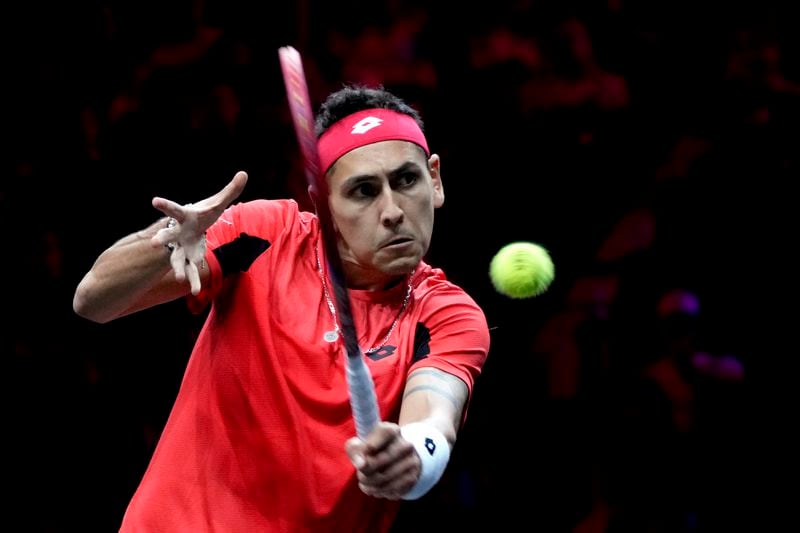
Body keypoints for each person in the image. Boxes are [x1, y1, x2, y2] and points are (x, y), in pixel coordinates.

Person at [72, 84, 491, 532]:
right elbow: (93, 301)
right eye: (363, 191)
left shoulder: (447, 313)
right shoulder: (265, 235)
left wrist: (410, 452)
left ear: (436, 179)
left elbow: (435, 417)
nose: (392, 211)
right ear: (324, 203)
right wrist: (169, 238)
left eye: (406, 180)